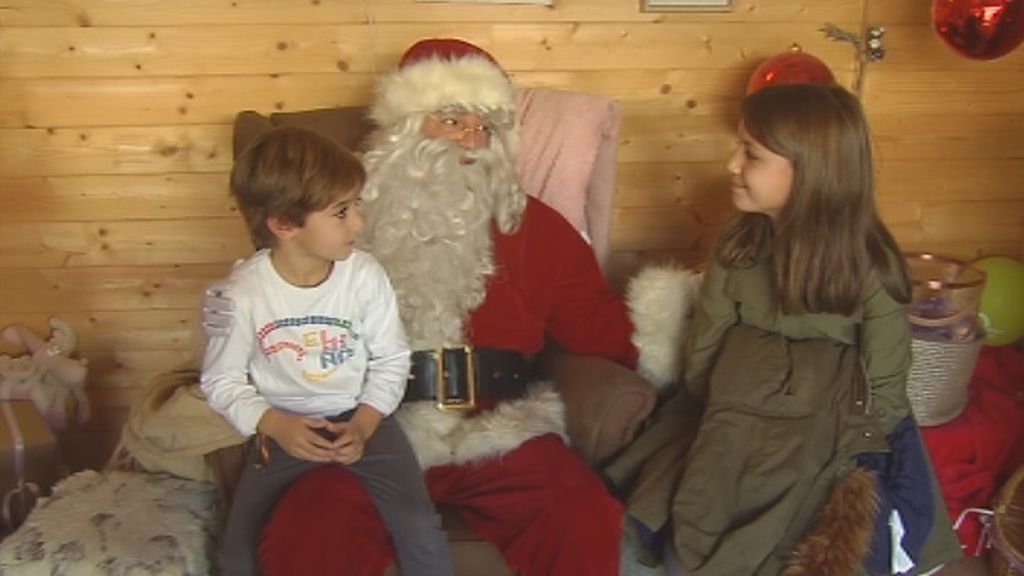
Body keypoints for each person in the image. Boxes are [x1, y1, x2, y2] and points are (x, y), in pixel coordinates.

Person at [203, 38, 695, 576]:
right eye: (453, 119)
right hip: (366, 426)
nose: (472, 140)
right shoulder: (342, 221)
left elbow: (595, 325)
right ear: (406, 125)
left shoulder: (533, 225)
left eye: (487, 127)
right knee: (309, 530)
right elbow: (281, 293)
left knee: (581, 515)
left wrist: (673, 317)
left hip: (498, 426)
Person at [603, 83, 963, 575]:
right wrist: (726, 410)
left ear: (811, 171)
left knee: (806, 508)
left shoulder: (872, 267)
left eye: (750, 155)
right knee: (704, 493)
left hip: (830, 420)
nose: (731, 164)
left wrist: (831, 437)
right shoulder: (736, 246)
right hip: (737, 403)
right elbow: (706, 348)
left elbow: (884, 387)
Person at [200, 127, 454, 576]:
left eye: (357, 205)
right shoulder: (242, 294)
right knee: (237, 554)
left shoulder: (365, 276)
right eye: (341, 212)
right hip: (282, 427)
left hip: (365, 418)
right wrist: (275, 425)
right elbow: (222, 380)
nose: (359, 223)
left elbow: (392, 360)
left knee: (419, 528)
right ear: (284, 224)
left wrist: (365, 423)